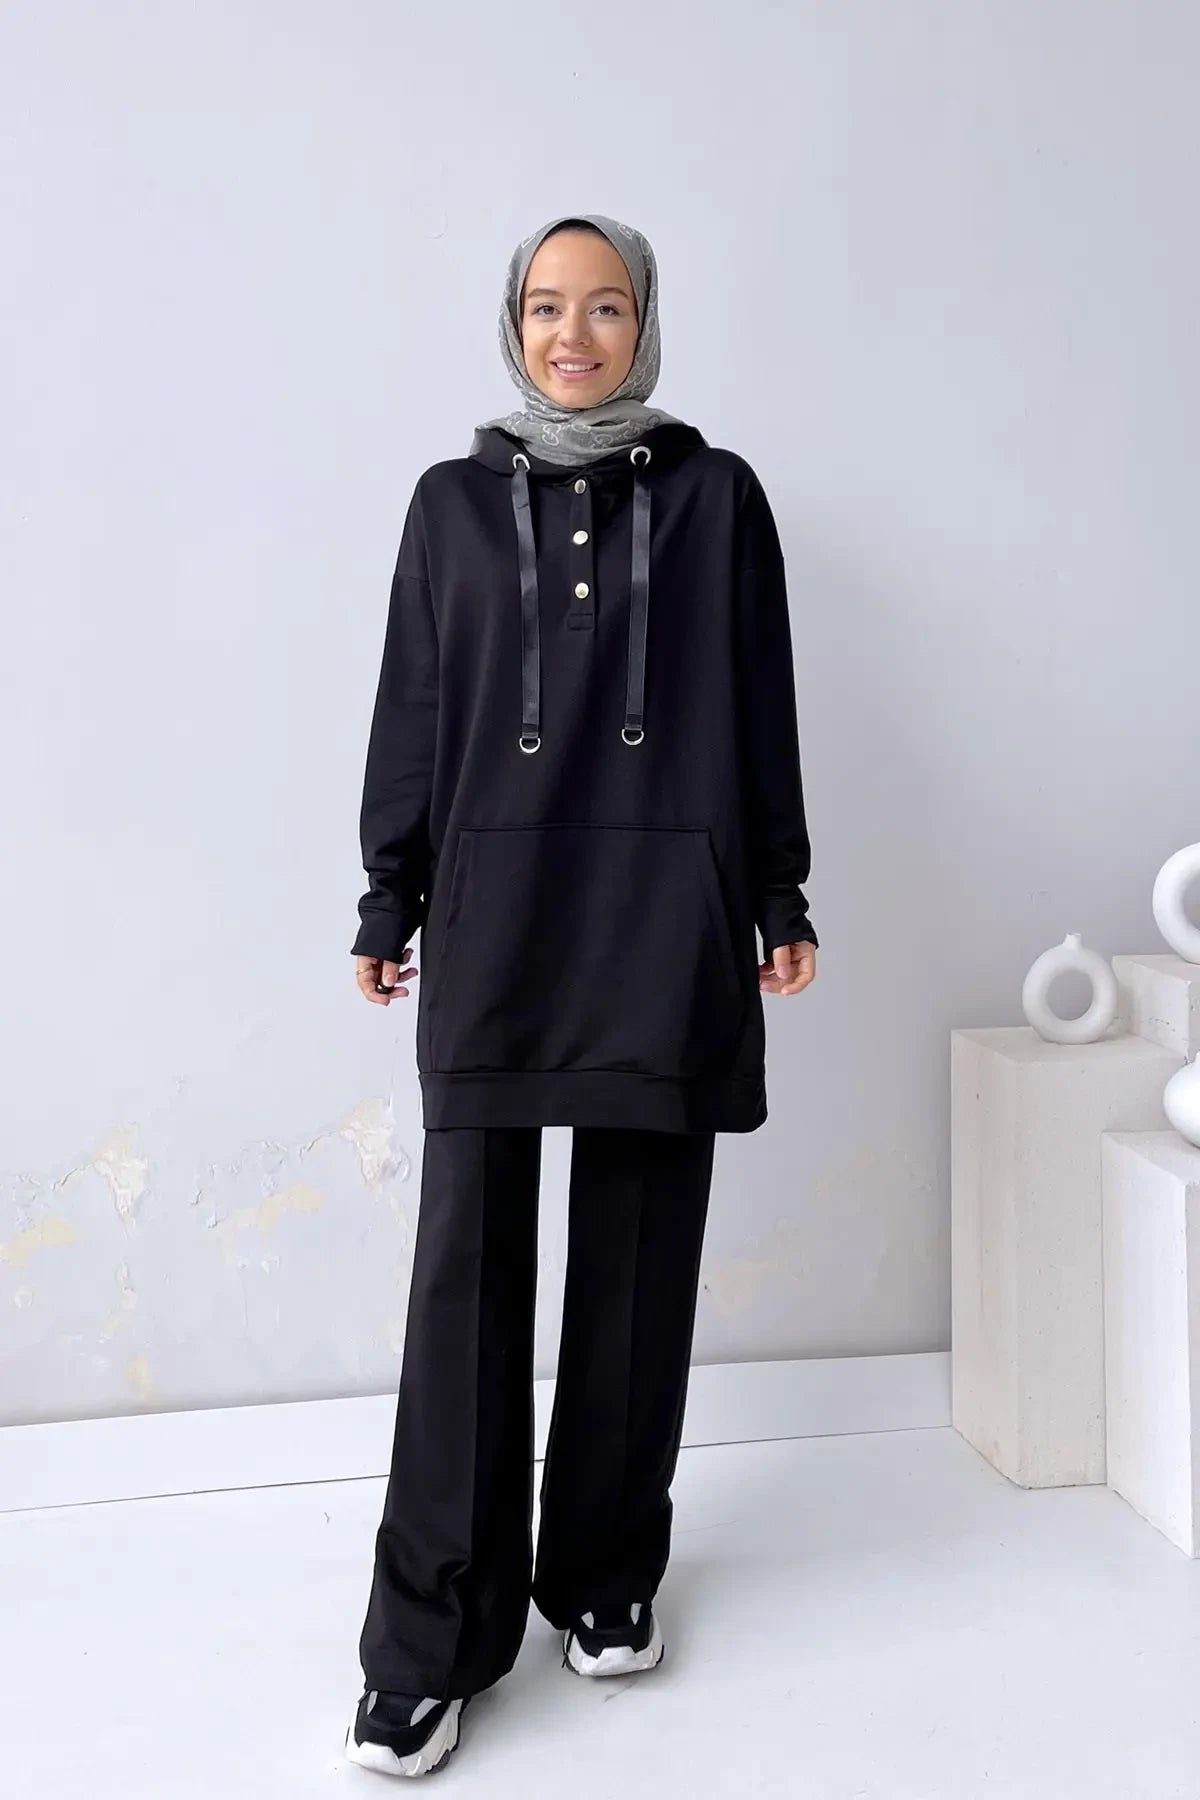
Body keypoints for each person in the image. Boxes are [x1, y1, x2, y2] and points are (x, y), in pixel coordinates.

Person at [344, 213, 818, 1777]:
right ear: (514, 322)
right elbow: (416, 707)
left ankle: (606, 1575)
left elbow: (759, 705)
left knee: (637, 1255)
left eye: (605, 308)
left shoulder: (716, 497)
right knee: (465, 1275)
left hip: (664, 914)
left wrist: (777, 891)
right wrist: (390, 890)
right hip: (497, 915)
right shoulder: (450, 504)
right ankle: (430, 1638)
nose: (573, 336)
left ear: (644, 323)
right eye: (548, 307)